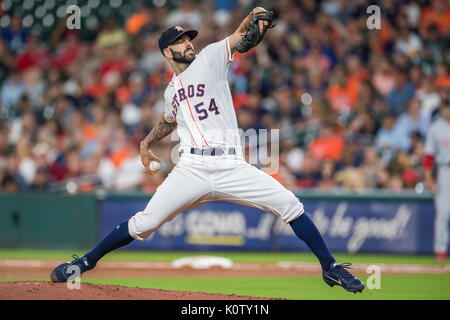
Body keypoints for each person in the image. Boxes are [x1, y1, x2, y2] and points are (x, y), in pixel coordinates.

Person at [50, 8, 364, 293]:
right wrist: (146, 144)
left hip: (230, 164)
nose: (188, 44)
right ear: (166, 51)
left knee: (290, 204)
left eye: (189, 39)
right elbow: (168, 121)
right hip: (191, 169)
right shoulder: (170, 90)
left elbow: (243, 37)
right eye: (180, 41)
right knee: (143, 223)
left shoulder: (210, 58)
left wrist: (257, 20)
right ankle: (86, 262)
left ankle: (330, 267)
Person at [424, 96, 450, 262]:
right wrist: (429, 179)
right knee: (443, 212)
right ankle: (440, 251)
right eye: (447, 105)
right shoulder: (436, 127)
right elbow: (429, 157)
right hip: (444, 170)